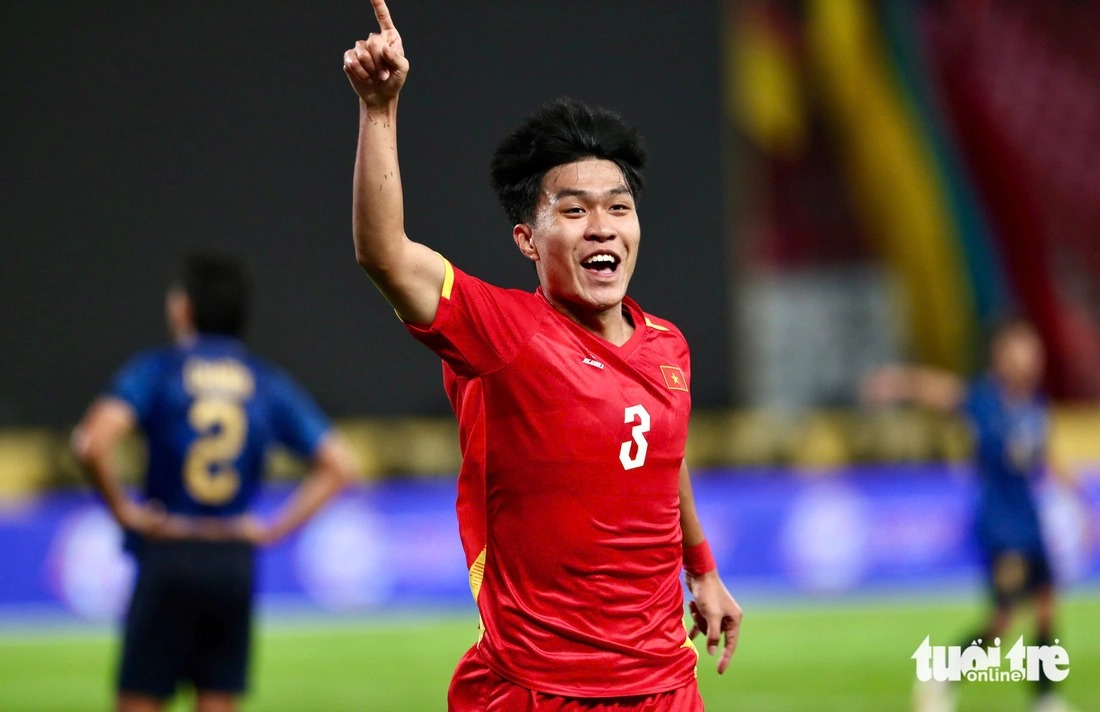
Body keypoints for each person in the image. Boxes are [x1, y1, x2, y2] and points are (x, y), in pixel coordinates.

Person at [342, 2, 742, 710]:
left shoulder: (668, 345)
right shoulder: (504, 334)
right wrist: (379, 110)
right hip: (538, 688)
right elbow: (386, 255)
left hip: (665, 686)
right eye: (575, 210)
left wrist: (702, 568)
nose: (603, 227)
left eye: (618, 207)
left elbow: (662, 454)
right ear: (528, 239)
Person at [71, 251, 357, 712]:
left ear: (182, 307)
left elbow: (89, 444)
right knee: (218, 698)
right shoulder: (265, 381)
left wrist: (124, 512)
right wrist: (273, 529)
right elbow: (340, 464)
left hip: (171, 547)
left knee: (140, 698)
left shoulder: (159, 370)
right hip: (232, 557)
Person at [863, 318, 1077, 712]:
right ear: (1001, 356)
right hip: (1000, 525)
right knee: (1002, 621)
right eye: (1020, 349)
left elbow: (1043, 456)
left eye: (1033, 350)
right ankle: (942, 675)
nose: (1029, 358)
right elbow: (935, 389)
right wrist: (895, 383)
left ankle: (1045, 697)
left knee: (1046, 607)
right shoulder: (984, 401)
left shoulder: (1035, 405)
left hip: (1030, 522)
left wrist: (1075, 496)